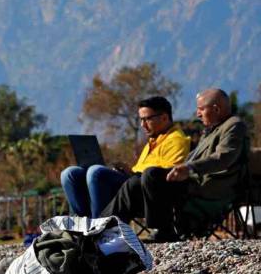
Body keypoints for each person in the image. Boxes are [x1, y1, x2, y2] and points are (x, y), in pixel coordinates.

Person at [102, 89, 248, 240]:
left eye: (201, 109)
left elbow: (223, 157)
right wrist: (174, 169)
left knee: (151, 174)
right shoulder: (211, 130)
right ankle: (103, 230)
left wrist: (189, 168)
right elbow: (193, 158)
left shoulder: (234, 126)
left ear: (216, 109)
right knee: (133, 184)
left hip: (208, 186)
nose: (197, 114)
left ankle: (162, 231)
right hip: (190, 183)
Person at [62, 96, 190, 217]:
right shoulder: (153, 141)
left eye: (147, 119)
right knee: (70, 173)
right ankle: (81, 227)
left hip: (146, 192)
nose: (142, 125)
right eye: (141, 119)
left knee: (96, 172)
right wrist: (129, 170)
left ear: (164, 118)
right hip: (132, 183)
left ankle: (100, 227)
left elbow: (165, 175)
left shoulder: (177, 140)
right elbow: (142, 170)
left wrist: (132, 175)